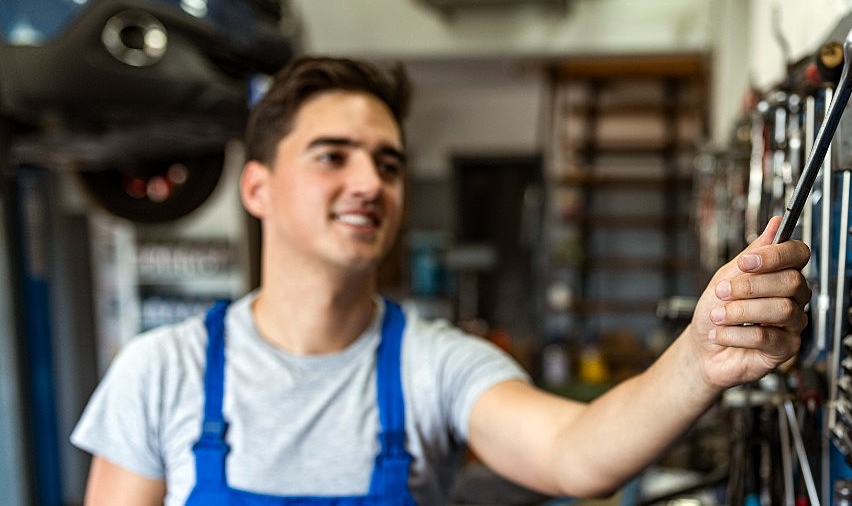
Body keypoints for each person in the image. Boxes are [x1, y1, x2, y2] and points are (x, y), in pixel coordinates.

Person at [71, 56, 811, 505]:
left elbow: (574, 453)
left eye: (388, 163)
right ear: (258, 188)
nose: (371, 182)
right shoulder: (163, 371)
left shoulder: (433, 363)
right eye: (333, 156)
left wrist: (697, 357)